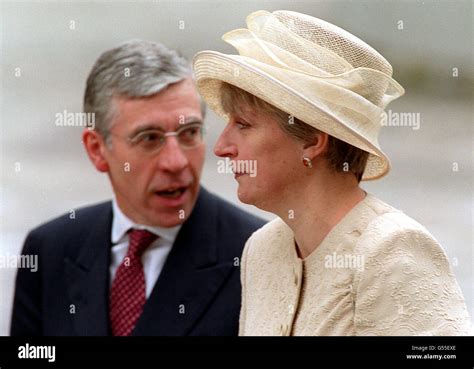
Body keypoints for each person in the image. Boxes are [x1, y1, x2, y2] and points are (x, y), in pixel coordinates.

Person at [193, 10, 471, 335]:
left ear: (312, 140)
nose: (221, 147)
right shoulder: (262, 249)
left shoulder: (391, 249)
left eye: (243, 124)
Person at [11, 39, 265, 336]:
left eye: (189, 133)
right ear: (97, 149)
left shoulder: (257, 256)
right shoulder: (50, 248)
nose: (176, 161)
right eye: (149, 138)